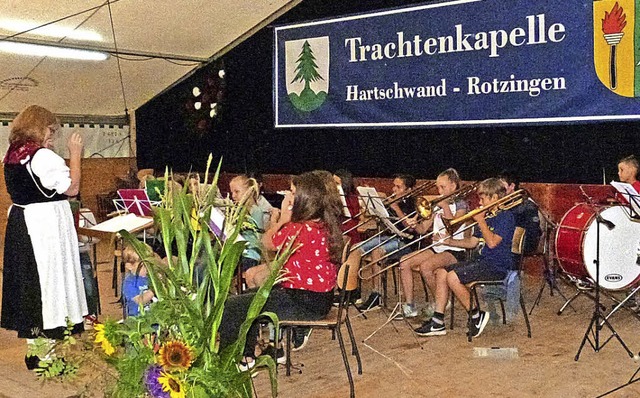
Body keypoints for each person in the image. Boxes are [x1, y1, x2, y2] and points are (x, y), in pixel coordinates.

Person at [218, 172, 343, 367]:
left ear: (304, 198)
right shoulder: (320, 222)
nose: (287, 196)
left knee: (233, 306)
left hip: (304, 300)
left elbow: (266, 242)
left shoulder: (300, 228)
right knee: (247, 298)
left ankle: (231, 362)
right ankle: (247, 356)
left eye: (292, 192)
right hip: (317, 297)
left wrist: (283, 219)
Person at [0, 105, 87, 369]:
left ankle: (35, 350)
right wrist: (75, 155)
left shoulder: (13, 154)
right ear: (38, 127)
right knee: (49, 287)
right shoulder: (42, 157)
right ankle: (46, 357)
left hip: (23, 222)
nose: (53, 137)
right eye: (51, 130)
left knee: (32, 285)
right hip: (45, 228)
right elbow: (72, 189)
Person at [414, 178, 516, 338]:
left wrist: (481, 220)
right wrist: (449, 241)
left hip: (497, 265)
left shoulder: (506, 217)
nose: (480, 202)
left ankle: (476, 315)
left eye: (482, 199)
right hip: (480, 261)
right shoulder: (487, 216)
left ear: (494, 198)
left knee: (453, 277)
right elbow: (472, 243)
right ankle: (438, 321)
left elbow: (492, 243)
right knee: (441, 273)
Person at [398, 169, 468, 318]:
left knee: (426, 267)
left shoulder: (462, 205)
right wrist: (413, 225)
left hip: (455, 249)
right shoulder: (437, 205)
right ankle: (410, 305)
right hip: (437, 248)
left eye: (442, 187)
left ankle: (441, 302)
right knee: (404, 262)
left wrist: (445, 207)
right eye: (438, 187)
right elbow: (423, 229)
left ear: (453, 186)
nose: (439, 191)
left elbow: (452, 229)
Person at [356, 174, 417, 310]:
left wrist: (396, 209)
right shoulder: (393, 200)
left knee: (377, 251)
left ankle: (376, 294)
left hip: (406, 241)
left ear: (408, 190)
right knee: (357, 248)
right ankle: (353, 291)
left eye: (398, 187)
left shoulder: (414, 204)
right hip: (390, 236)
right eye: (394, 185)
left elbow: (411, 228)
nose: (394, 189)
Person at [229, 175, 266, 289]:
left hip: (249, 255)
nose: (233, 196)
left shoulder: (255, 210)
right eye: (232, 192)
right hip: (239, 253)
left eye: (237, 192)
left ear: (249, 192)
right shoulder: (239, 210)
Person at [498, 170, 541, 256]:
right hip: (505, 241)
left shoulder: (527, 205)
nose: (499, 190)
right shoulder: (503, 203)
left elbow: (532, 232)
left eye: (502, 187)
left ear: (512, 186)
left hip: (520, 244)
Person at [122, 245, 157, 317]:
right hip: (139, 321)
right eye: (143, 265)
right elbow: (140, 301)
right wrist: (155, 289)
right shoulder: (129, 283)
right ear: (129, 266)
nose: (148, 268)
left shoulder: (151, 277)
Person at [334, 169, 362, 245]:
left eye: (337, 183)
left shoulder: (352, 195)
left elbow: (352, 216)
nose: (334, 186)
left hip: (348, 228)